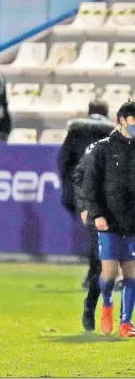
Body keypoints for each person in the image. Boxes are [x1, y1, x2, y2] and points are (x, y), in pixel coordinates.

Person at [81, 100, 135, 337]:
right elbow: (89, 186)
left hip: (132, 220)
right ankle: (107, 303)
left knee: (132, 273)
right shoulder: (102, 149)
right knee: (109, 274)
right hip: (109, 221)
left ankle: (126, 323)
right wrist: (97, 214)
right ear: (121, 120)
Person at [58, 99, 115, 288]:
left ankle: (97, 275)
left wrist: (69, 188)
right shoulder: (114, 133)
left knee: (96, 234)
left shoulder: (76, 131)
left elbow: (64, 162)